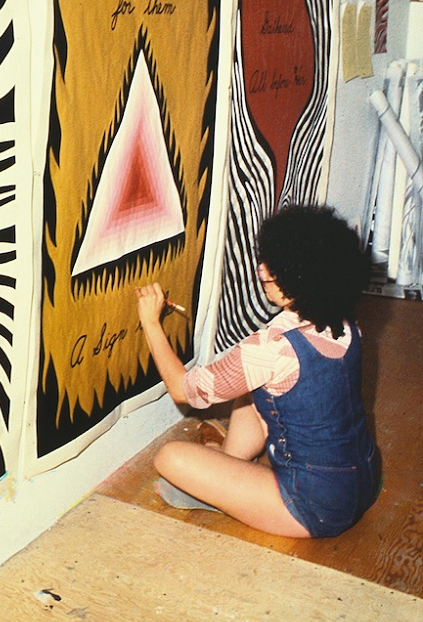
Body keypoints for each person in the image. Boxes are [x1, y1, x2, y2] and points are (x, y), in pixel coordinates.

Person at [135, 204, 381, 538]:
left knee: (170, 458)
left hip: (313, 508)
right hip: (363, 480)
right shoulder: (347, 325)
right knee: (259, 389)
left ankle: (227, 493)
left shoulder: (271, 347)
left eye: (271, 266)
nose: (260, 271)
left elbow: (182, 389)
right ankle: (229, 464)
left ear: (297, 279)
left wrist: (151, 323)